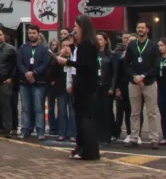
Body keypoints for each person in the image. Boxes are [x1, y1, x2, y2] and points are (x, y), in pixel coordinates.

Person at [58, 15, 100, 160]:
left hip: (85, 86)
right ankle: (81, 147)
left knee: (84, 118)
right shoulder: (82, 45)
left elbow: (85, 66)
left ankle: (87, 150)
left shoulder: (87, 45)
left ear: (83, 27)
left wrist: (67, 62)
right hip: (82, 84)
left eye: (76, 27)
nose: (74, 30)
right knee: (82, 118)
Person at [127, 21, 161, 149]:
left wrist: (144, 76)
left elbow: (156, 65)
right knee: (135, 112)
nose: (140, 29)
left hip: (149, 82)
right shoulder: (131, 45)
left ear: (147, 30)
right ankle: (134, 137)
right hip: (134, 82)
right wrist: (134, 76)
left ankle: (154, 139)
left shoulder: (153, 46)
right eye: (138, 27)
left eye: (142, 27)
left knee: (152, 112)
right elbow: (126, 64)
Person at [18, 26, 50, 140]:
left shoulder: (44, 48)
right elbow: (20, 62)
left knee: (39, 108)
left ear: (38, 34)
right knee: (25, 108)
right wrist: (27, 73)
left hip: (39, 82)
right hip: (24, 82)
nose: (31, 35)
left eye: (34, 33)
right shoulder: (23, 47)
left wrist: (34, 73)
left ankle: (40, 131)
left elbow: (45, 63)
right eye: (30, 33)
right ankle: (25, 129)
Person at [112, 33, 134, 143]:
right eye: (127, 40)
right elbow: (116, 72)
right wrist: (117, 88)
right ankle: (116, 132)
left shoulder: (136, 55)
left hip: (133, 86)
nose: (128, 42)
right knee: (119, 111)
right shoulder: (119, 54)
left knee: (130, 112)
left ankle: (131, 133)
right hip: (122, 86)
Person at [96, 32, 114, 143]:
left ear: (105, 41)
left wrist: (112, 87)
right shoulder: (94, 54)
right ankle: (98, 134)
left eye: (100, 39)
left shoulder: (110, 55)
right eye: (96, 39)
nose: (98, 41)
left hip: (106, 86)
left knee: (106, 110)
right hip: (96, 86)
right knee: (96, 110)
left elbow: (114, 73)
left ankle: (107, 135)